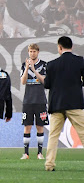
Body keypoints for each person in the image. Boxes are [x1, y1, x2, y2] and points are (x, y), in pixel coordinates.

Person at [44, 36, 84, 171]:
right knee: (83, 133)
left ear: (59, 47)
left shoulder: (51, 64)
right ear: (71, 47)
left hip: (57, 104)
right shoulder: (80, 61)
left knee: (53, 136)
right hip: (75, 103)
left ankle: (49, 165)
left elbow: (47, 85)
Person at [20, 44, 49, 160]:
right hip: (28, 100)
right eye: (30, 51)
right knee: (27, 126)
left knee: (40, 126)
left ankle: (40, 153)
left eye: (34, 51)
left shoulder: (44, 65)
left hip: (40, 100)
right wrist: (27, 68)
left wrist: (34, 70)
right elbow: (23, 82)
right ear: (28, 52)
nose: (32, 53)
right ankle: (26, 153)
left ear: (38, 52)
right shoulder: (24, 65)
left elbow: (45, 81)